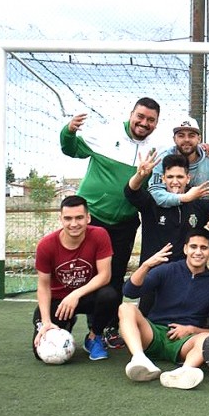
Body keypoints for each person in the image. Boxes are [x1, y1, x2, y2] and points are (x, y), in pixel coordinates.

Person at [60, 97, 162, 347]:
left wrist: (202, 150)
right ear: (131, 114)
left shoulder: (156, 148)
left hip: (124, 224)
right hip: (91, 220)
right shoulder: (105, 134)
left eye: (150, 120)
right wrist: (69, 131)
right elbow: (71, 149)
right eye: (141, 116)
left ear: (156, 124)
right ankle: (63, 323)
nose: (144, 123)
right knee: (77, 274)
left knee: (113, 280)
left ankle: (102, 331)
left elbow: (179, 159)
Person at [119, 229, 209, 390]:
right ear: (185, 249)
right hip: (154, 333)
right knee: (126, 307)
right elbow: (129, 291)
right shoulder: (167, 270)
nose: (198, 252)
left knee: (207, 339)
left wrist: (191, 329)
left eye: (203, 248)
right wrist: (146, 265)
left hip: (184, 342)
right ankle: (139, 359)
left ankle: (183, 372)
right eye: (193, 247)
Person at [125, 151, 209, 315]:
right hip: (153, 276)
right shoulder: (153, 201)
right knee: (144, 321)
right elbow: (131, 192)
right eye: (170, 177)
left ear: (188, 178)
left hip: (186, 277)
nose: (175, 181)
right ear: (163, 178)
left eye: (180, 177)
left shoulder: (198, 203)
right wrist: (139, 176)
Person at [32, 195, 119, 361]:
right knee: (39, 353)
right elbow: (43, 286)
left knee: (110, 295)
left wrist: (75, 294)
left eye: (79, 217)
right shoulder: (46, 245)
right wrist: (46, 322)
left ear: (88, 218)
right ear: (61, 219)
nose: (74, 224)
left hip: (87, 296)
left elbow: (105, 275)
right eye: (68, 218)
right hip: (59, 302)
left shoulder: (100, 235)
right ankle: (66, 323)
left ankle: (94, 337)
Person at [148, 116, 209, 207]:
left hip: (203, 216)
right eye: (181, 136)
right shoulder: (162, 159)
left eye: (191, 135)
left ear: (199, 139)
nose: (186, 139)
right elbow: (155, 193)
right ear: (174, 139)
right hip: (170, 215)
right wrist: (186, 197)